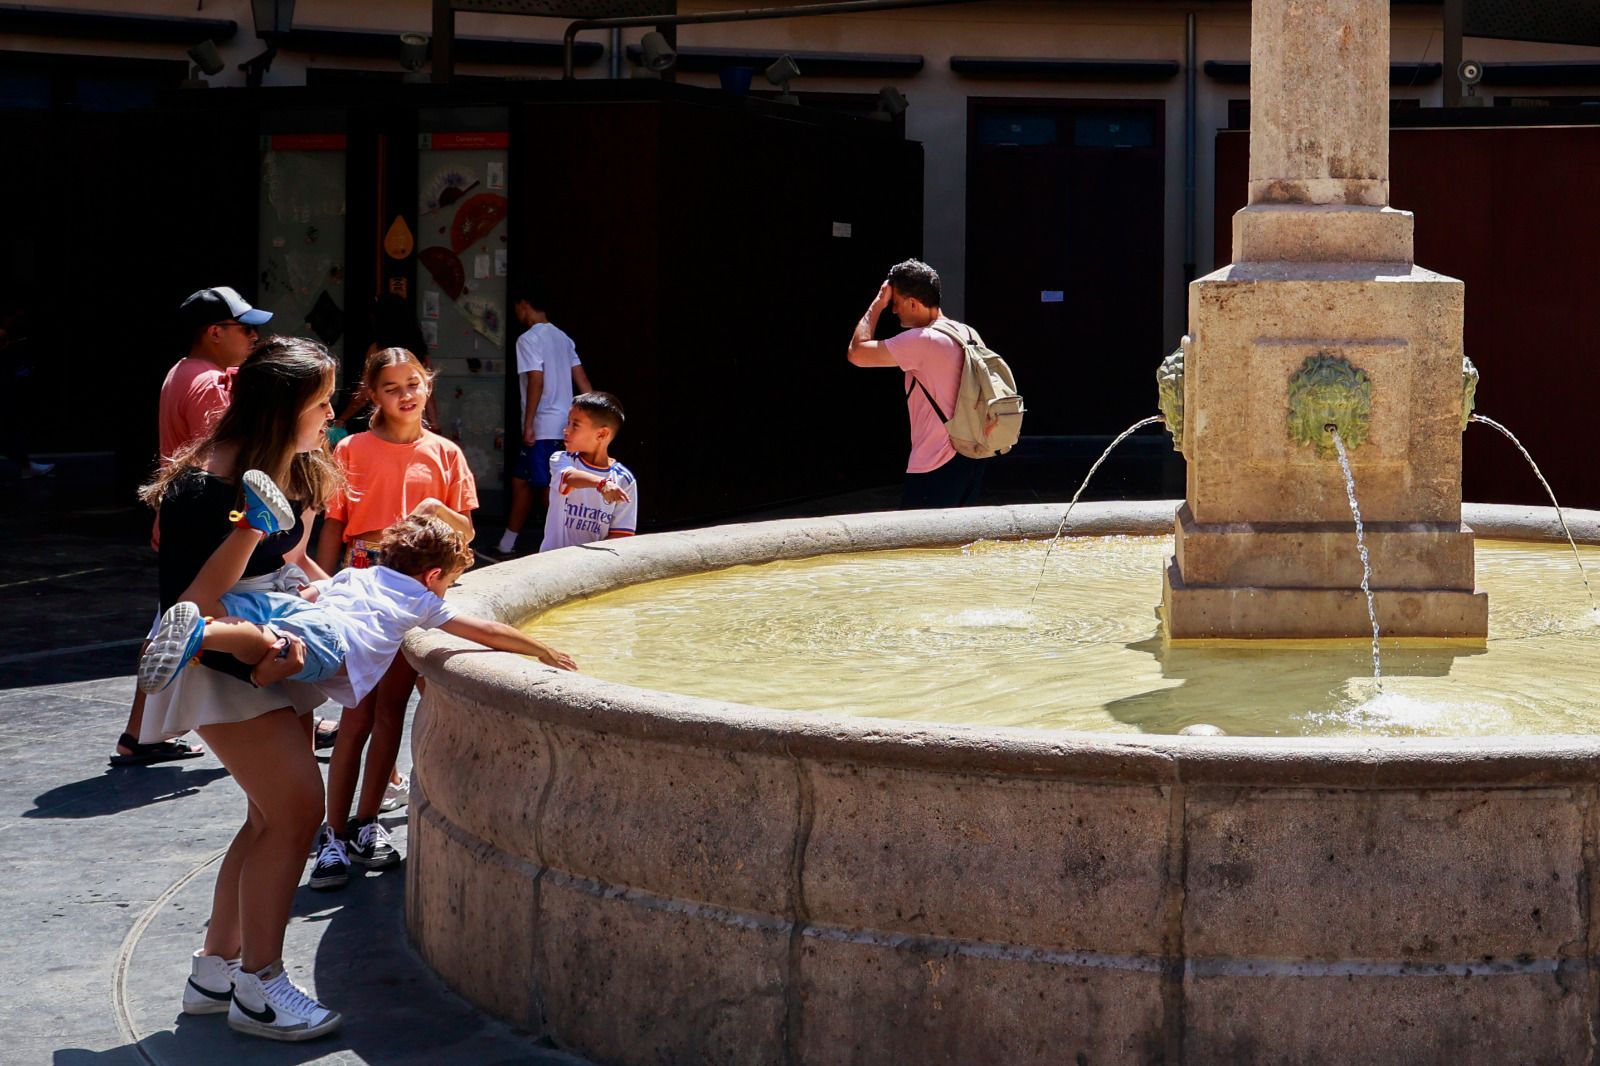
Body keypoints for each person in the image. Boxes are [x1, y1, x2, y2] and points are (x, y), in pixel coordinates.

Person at [139, 335, 344, 1041]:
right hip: (216, 666)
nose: (330, 415)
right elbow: (190, 603)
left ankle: (215, 970)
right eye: (320, 404)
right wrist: (258, 657)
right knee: (295, 812)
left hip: (251, 654)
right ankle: (260, 987)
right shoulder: (206, 486)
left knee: (267, 817)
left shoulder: (274, 468)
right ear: (282, 408)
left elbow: (274, 568)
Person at [312, 345, 478, 889]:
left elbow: (465, 534)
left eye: (414, 383)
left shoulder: (446, 454)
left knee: (391, 713)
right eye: (391, 387)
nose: (405, 394)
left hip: (413, 596)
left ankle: (365, 823)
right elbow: (334, 526)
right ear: (374, 395)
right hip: (363, 588)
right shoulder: (352, 449)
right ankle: (331, 835)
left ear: (427, 385)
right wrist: (324, 584)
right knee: (356, 716)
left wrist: (437, 515)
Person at [140, 504, 577, 701]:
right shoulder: (423, 600)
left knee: (247, 614)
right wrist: (539, 648)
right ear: (432, 576)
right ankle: (199, 635)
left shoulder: (361, 573)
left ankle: (192, 626)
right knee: (265, 642)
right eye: (450, 582)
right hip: (333, 645)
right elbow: (483, 631)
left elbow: (313, 593)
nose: (447, 591)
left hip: (306, 608)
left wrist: (299, 595)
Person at [110, 286, 273, 768]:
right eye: (245, 328)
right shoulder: (209, 384)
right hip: (206, 525)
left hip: (184, 518)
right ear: (214, 332)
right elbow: (227, 456)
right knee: (213, 617)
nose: (254, 336)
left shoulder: (183, 371)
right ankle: (279, 708)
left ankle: (139, 732)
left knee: (169, 622)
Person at [846, 259, 986, 509]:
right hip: (972, 458)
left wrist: (877, 303)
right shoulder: (967, 333)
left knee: (921, 546)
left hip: (934, 464)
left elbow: (857, 352)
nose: (894, 310)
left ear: (913, 303)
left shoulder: (922, 340)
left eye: (896, 303)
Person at [497, 293, 592, 556]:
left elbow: (536, 380)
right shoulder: (563, 338)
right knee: (523, 480)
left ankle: (560, 546)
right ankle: (507, 542)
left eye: (516, 308)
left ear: (523, 303)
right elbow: (583, 383)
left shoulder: (528, 339)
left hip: (543, 424)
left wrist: (528, 424)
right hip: (565, 424)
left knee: (548, 488)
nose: (516, 314)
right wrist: (591, 419)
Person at [540, 391, 637, 552]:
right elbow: (570, 477)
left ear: (602, 434)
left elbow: (621, 536)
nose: (566, 430)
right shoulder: (562, 459)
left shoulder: (624, 480)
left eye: (575, 425)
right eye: (568, 422)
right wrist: (602, 484)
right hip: (551, 564)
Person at [330, 295, 439, 436]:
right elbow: (429, 395)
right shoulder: (420, 352)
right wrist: (435, 426)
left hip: (387, 424)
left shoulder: (377, 350)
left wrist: (342, 418)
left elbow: (364, 392)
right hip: (414, 426)